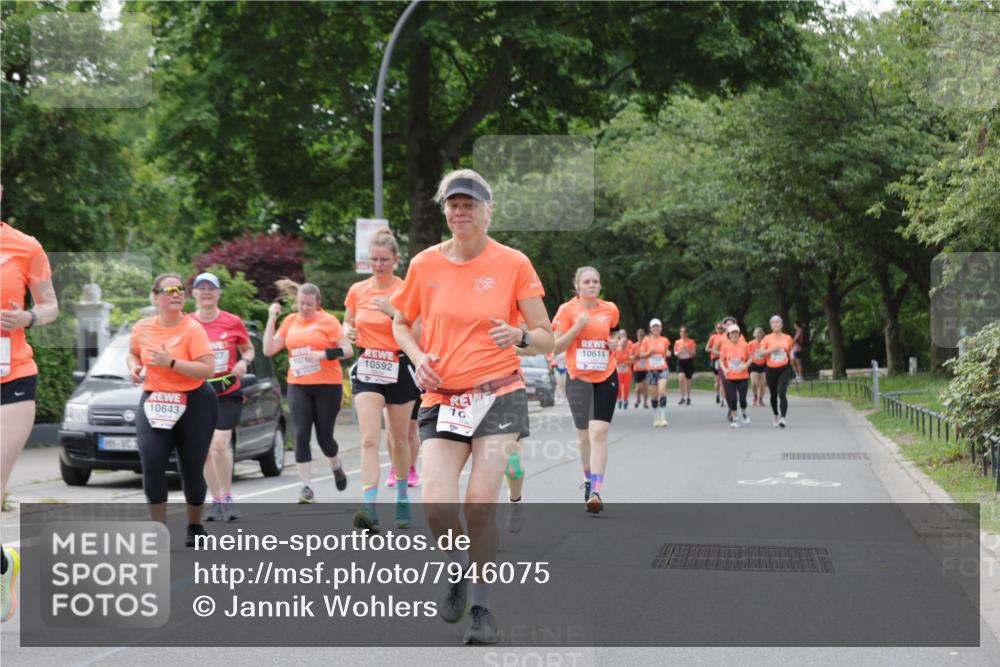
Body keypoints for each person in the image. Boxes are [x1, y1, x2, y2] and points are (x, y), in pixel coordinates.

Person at [391, 169, 553, 645]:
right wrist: (418, 359)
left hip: (500, 393)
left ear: (488, 211)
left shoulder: (514, 263)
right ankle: (458, 567)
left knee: (479, 504)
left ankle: (482, 608)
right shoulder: (424, 264)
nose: (460, 213)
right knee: (437, 505)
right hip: (442, 398)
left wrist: (520, 335)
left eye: (470, 205)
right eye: (453, 205)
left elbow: (545, 337)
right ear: (445, 211)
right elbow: (402, 323)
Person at [127, 274, 217, 546]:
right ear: (156, 298)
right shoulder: (142, 328)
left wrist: (172, 363)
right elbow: (133, 353)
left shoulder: (193, 329)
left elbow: (207, 369)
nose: (176, 294)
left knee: (190, 468)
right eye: (169, 290)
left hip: (195, 402)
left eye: (180, 290)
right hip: (155, 401)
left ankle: (194, 525)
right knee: (152, 462)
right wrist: (133, 368)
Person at [1, 208, 59, 623]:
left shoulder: (26, 246)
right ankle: (4, 565)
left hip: (13, 379)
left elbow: (51, 306)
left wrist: (28, 317)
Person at [344, 228, 419, 531]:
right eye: (373, 259)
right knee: (369, 438)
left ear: (395, 260)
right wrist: (346, 333)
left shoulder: (406, 290)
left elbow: (419, 336)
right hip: (368, 366)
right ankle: (369, 507)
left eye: (384, 259)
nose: (378, 265)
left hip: (399, 366)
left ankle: (402, 499)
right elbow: (347, 322)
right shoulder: (357, 290)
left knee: (398, 440)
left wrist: (392, 314)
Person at [264, 280, 352, 502]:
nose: (304, 308)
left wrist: (323, 355)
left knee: (325, 439)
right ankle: (306, 488)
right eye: (301, 303)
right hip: (298, 384)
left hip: (327, 386)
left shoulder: (329, 321)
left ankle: (335, 464)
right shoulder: (290, 321)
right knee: (301, 434)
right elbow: (269, 349)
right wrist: (271, 318)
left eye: (309, 305)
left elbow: (348, 350)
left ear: (317, 304)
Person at [552, 267, 620, 513]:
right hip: (578, 379)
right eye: (587, 282)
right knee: (583, 435)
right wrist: (577, 327)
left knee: (599, 431)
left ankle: (596, 492)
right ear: (578, 286)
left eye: (596, 281)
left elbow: (614, 335)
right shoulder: (567, 310)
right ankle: (588, 478)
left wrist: (614, 344)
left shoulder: (610, 309)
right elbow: (556, 347)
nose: (592, 285)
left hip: (606, 375)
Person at [191, 272, 254, 523]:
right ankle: (216, 500)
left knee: (219, 442)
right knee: (205, 449)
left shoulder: (231, 322)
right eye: (201, 288)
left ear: (218, 293)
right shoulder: (187, 323)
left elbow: (248, 348)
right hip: (198, 392)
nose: (206, 292)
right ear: (194, 293)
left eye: (211, 288)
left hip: (227, 390)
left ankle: (228, 497)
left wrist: (244, 361)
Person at [759, 315, 795, 427]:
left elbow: (790, 352)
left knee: (782, 393)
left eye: (778, 322)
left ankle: (783, 418)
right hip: (771, 369)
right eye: (773, 323)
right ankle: (776, 414)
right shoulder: (767, 338)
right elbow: (761, 354)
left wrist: (792, 361)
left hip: (784, 368)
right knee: (773, 394)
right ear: (771, 326)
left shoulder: (788, 337)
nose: (775, 324)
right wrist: (772, 349)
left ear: (782, 325)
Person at [719, 323, 752, 427]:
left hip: (743, 376)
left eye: (736, 333)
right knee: (732, 398)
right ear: (729, 334)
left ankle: (744, 413)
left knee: (742, 400)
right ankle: (734, 419)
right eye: (732, 333)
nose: (734, 335)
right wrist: (724, 369)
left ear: (739, 334)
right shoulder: (725, 346)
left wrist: (745, 365)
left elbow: (750, 358)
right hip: (730, 376)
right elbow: (721, 360)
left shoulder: (745, 345)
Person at [639, 319, 671, 427]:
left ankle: (663, 417)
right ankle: (656, 417)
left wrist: (668, 353)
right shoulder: (646, 340)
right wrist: (649, 352)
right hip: (651, 370)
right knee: (653, 395)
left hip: (662, 368)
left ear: (661, 328)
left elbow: (667, 351)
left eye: (658, 326)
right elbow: (641, 355)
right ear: (651, 329)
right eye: (654, 326)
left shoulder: (665, 340)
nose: (656, 328)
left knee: (662, 391)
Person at [673, 325, 696, 405]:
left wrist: (687, 349)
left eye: (684, 332)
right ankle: (682, 397)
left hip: (688, 361)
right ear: (679, 333)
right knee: (681, 377)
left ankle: (688, 397)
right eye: (681, 332)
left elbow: (693, 354)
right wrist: (680, 351)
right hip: (681, 362)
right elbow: (675, 353)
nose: (683, 334)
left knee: (688, 381)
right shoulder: (677, 342)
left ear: (687, 333)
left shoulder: (691, 342)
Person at [705, 322, 725, 406]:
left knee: (722, 381)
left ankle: (722, 399)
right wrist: (715, 350)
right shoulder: (713, 337)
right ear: (715, 329)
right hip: (715, 359)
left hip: (724, 359)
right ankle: (717, 394)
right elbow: (706, 349)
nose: (720, 330)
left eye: (721, 328)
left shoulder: (726, 336)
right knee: (718, 382)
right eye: (718, 328)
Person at [748, 326, 767, 407]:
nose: (758, 335)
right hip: (754, 364)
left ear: (763, 334)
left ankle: (761, 399)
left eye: (760, 333)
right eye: (757, 333)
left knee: (762, 384)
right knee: (754, 383)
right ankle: (755, 396)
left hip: (763, 364)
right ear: (754, 334)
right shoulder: (751, 343)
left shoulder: (765, 343)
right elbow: (747, 354)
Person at [614, 329, 633, 410]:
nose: (624, 344)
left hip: (627, 371)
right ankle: (619, 400)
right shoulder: (616, 350)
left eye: (625, 343)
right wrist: (617, 364)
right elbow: (612, 360)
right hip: (618, 371)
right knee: (618, 387)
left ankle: (625, 400)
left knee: (626, 387)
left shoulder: (629, 350)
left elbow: (632, 360)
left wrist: (627, 363)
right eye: (622, 343)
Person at [631, 328, 648, 408]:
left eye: (642, 335)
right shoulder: (634, 346)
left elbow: (651, 354)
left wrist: (644, 356)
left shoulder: (647, 345)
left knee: (645, 386)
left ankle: (645, 403)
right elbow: (630, 356)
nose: (640, 336)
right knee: (638, 387)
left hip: (646, 369)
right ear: (637, 336)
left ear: (644, 336)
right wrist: (634, 356)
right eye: (639, 335)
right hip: (637, 369)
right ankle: (638, 399)